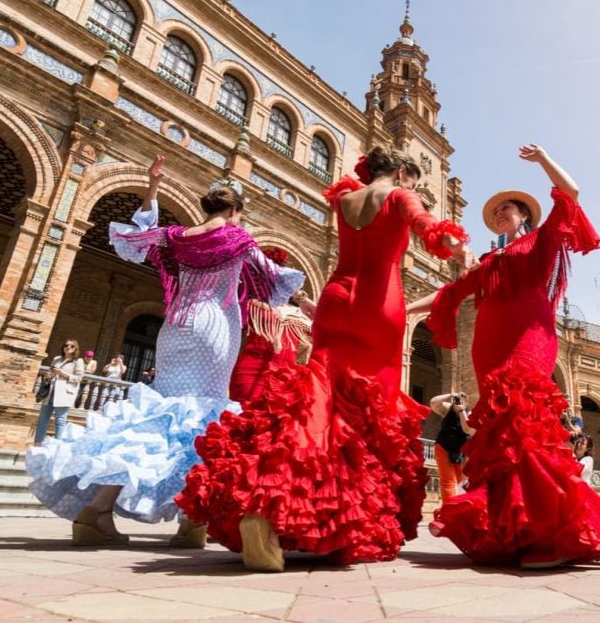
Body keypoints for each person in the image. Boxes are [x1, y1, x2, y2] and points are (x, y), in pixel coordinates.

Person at [178, 148, 472, 572]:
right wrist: (455, 246)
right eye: (413, 181)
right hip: (379, 304)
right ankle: (340, 518)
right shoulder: (400, 196)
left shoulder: (345, 199)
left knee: (316, 399)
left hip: (336, 298)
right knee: (371, 414)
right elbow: (429, 229)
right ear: (404, 173)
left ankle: (264, 504)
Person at [26, 156, 303, 546]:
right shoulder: (238, 238)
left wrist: (153, 186)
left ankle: (98, 510)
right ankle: (192, 521)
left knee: (157, 414)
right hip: (214, 328)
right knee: (204, 419)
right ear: (236, 211)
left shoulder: (177, 238)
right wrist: (304, 304)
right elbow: (272, 277)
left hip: (173, 328)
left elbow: (138, 236)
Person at [410, 144, 600, 568]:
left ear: (524, 217)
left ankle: (551, 532)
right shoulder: (490, 259)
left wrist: (545, 158)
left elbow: (571, 194)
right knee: (502, 437)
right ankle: (518, 529)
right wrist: (400, 310)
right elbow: (449, 294)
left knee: (525, 422)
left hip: (529, 339)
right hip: (488, 347)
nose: (500, 215)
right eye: (496, 212)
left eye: (508, 209)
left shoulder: (540, 242)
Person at [228, 247, 314, 403]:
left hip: (285, 383)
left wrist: (302, 298)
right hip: (249, 374)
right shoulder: (251, 304)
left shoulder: (300, 315)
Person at [33, 340, 84, 444]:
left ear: (75, 349)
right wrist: (48, 376)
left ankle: (57, 446)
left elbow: (79, 378)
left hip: (64, 393)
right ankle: (37, 444)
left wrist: (62, 373)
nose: (68, 347)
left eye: (72, 346)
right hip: (50, 392)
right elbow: (50, 372)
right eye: (66, 345)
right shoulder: (57, 359)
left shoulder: (78, 361)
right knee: (42, 420)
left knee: (60, 421)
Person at [430, 392, 475, 502]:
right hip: (443, 447)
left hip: (461, 452)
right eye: (457, 399)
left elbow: (468, 429)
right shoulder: (448, 409)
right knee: (448, 481)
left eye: (462, 399)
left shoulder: (469, 413)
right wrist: (451, 395)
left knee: (463, 482)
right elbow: (433, 402)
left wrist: (461, 410)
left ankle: (462, 506)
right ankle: (448, 510)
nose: (459, 401)